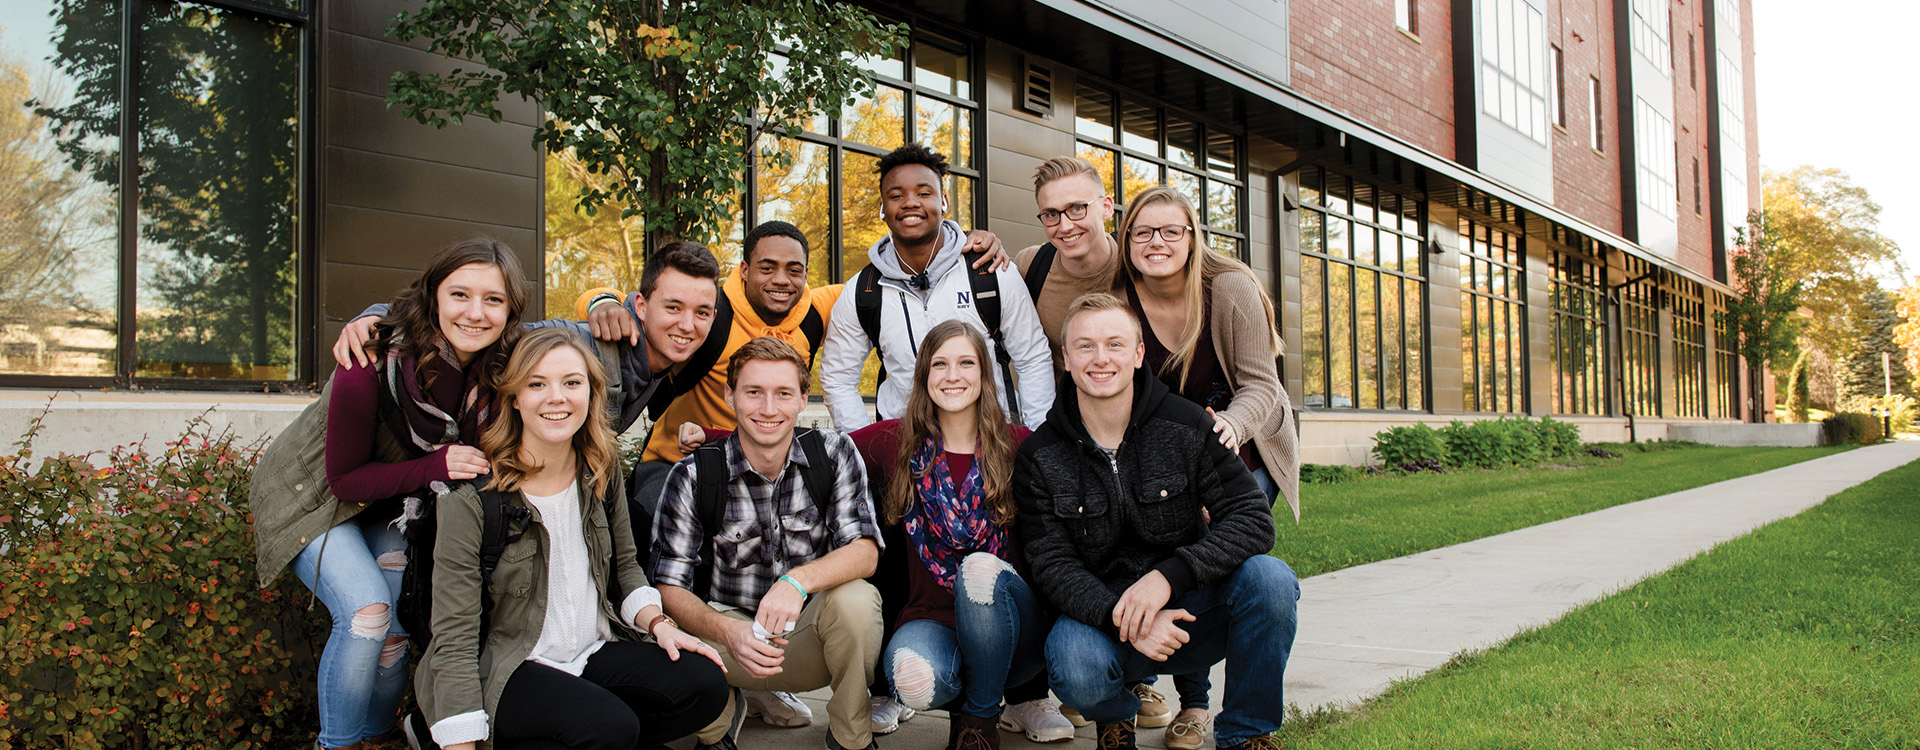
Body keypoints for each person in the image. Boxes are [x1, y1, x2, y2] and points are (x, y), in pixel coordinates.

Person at [252, 237, 528, 750]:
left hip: (392, 506)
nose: (475, 312)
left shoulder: (499, 368)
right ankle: (336, 745)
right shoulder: (372, 357)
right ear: (434, 297)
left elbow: (575, 337)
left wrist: (609, 307)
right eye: (459, 295)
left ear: (512, 309)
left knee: (397, 629)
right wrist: (435, 465)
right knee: (367, 612)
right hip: (314, 499)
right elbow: (345, 481)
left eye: (493, 299)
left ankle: (378, 739)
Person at [413, 327, 730, 749]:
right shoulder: (472, 498)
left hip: (589, 651)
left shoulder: (599, 469)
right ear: (514, 398)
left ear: (592, 394)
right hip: (510, 665)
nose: (556, 397)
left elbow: (625, 567)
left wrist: (659, 625)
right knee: (609, 727)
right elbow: (453, 636)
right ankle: (434, 729)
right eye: (537, 384)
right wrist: (458, 740)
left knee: (704, 684)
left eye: (572, 383)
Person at [1015, 293, 1299, 750]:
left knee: (1272, 581)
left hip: (1190, 613)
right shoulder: (1039, 456)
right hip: (1102, 622)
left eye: (1114, 344)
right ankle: (1114, 719)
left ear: (1139, 352)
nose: (1100, 359)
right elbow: (1051, 565)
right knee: (1073, 662)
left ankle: (1248, 733)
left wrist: (1167, 579)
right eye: (1085, 347)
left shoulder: (1188, 426)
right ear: (1065, 358)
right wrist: (1126, 618)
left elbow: (1252, 519)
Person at [1114, 186, 1300, 747]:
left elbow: (1262, 385)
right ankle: (1157, 691)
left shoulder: (1230, 288)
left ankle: (1217, 717)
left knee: (1215, 560)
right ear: (1126, 242)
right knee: (1166, 549)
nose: (1157, 242)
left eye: (1172, 230)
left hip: (1239, 445)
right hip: (1157, 458)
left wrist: (1232, 427)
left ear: (1193, 237)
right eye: (1143, 232)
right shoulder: (1119, 298)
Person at [845, 321, 1075, 750]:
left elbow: (1085, 475)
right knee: (911, 680)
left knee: (980, 569)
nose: (953, 376)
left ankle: (979, 722)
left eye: (966, 363)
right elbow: (814, 451)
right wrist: (708, 439)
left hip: (1012, 630)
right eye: (940, 364)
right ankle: (969, 698)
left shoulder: (1019, 446)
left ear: (985, 374)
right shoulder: (895, 443)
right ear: (924, 377)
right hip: (932, 619)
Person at [651, 338, 888, 750]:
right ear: (730, 396)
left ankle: (851, 736)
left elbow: (865, 550)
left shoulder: (832, 454)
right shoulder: (694, 476)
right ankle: (717, 723)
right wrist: (727, 631)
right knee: (674, 633)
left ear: (801, 398)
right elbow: (668, 586)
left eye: (782, 393)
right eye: (753, 392)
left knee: (857, 601)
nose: (767, 408)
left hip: (807, 642)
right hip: (724, 644)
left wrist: (795, 583)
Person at [333, 241, 723, 439]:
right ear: (640, 305)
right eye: (673, 307)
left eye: (702, 312)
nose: (687, 324)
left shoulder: (672, 361)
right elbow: (500, 330)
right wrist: (379, 315)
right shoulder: (583, 344)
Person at [819, 143, 1054, 432]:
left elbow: (1032, 357)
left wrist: (1036, 440)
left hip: (992, 448)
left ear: (943, 201)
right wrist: (865, 448)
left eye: (923, 193)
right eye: (896, 195)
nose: (910, 203)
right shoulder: (863, 291)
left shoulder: (990, 271)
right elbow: (837, 378)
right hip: (906, 455)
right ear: (883, 209)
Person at [1014, 156, 1123, 374]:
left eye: (1076, 208)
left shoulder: (1137, 261)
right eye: (1051, 214)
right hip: (1059, 406)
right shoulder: (1030, 266)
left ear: (1106, 207)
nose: (1065, 226)